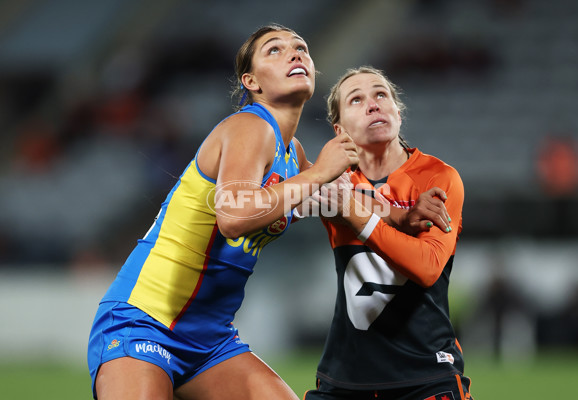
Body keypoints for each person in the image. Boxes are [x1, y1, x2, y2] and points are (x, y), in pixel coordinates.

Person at [86, 24, 361, 400]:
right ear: (252, 82)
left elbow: (337, 204)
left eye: (301, 48)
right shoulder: (249, 127)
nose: (295, 53)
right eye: (275, 50)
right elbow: (233, 217)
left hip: (211, 343)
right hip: (142, 324)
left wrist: (404, 214)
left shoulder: (292, 154)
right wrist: (320, 173)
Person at [304, 66, 473, 400]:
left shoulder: (437, 176)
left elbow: (427, 267)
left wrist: (356, 215)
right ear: (339, 130)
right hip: (344, 378)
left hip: (426, 375)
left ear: (398, 111)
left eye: (381, 94)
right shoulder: (332, 180)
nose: (373, 104)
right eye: (356, 100)